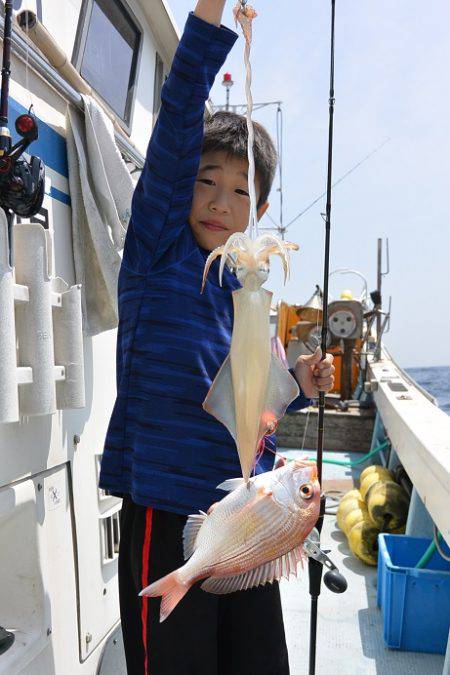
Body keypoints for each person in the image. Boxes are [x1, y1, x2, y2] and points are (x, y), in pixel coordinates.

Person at [99, 1, 335, 673]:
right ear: (179, 189)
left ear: (257, 212)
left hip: (246, 515)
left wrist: (299, 389)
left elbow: (250, 412)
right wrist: (208, 13)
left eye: (239, 191)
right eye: (204, 182)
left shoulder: (249, 291)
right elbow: (179, 116)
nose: (219, 201)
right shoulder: (159, 251)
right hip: (166, 513)